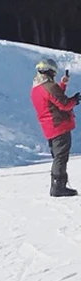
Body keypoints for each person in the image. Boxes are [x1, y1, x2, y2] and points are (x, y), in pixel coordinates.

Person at [30, 57, 81, 197]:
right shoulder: (50, 87)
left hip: (49, 128)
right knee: (61, 157)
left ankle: (57, 185)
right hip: (59, 126)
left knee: (58, 156)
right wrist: (75, 100)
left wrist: (62, 84)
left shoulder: (36, 88)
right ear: (50, 72)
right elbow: (64, 104)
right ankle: (58, 187)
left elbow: (53, 97)